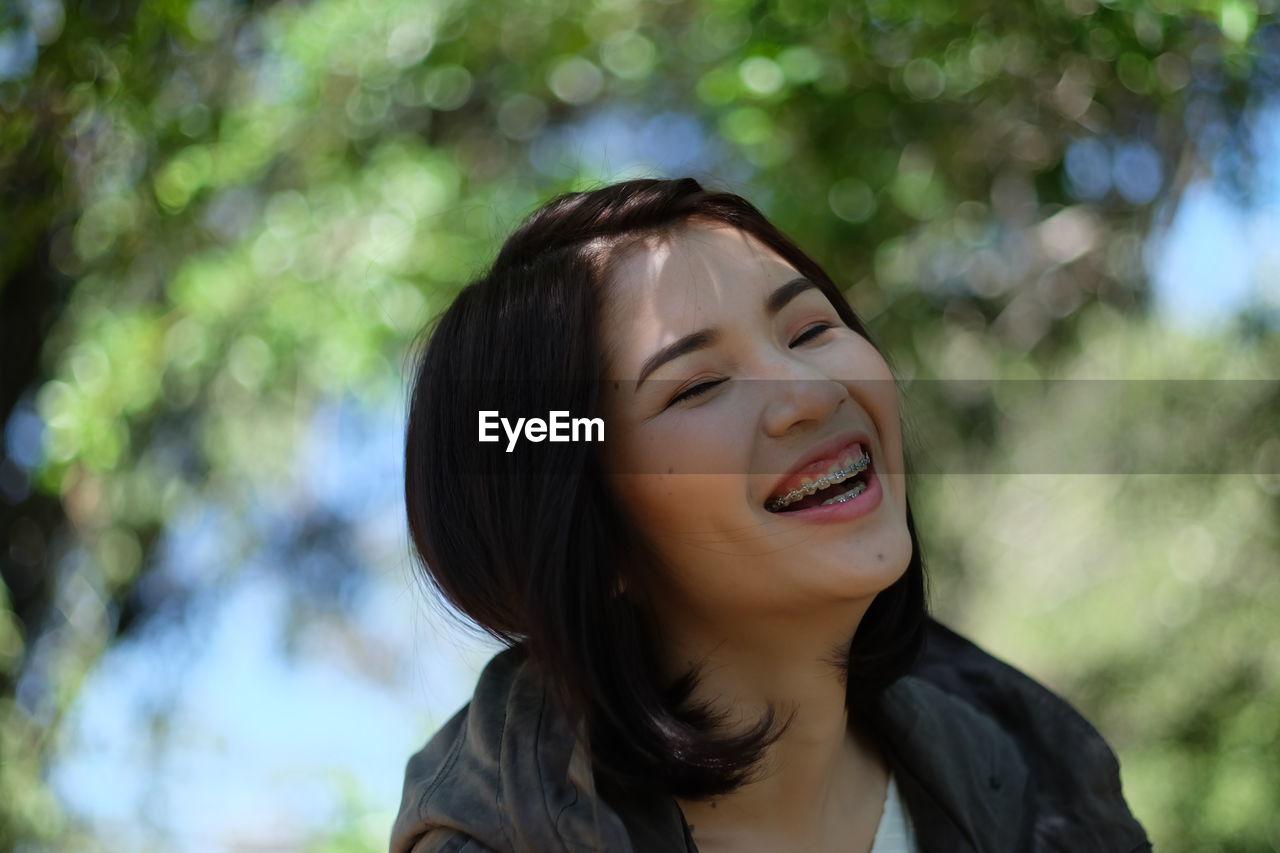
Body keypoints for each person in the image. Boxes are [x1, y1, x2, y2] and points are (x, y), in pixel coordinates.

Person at [391, 178, 1151, 852]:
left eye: (811, 331)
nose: (812, 393)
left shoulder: (1039, 776)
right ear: (592, 536)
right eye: (695, 386)